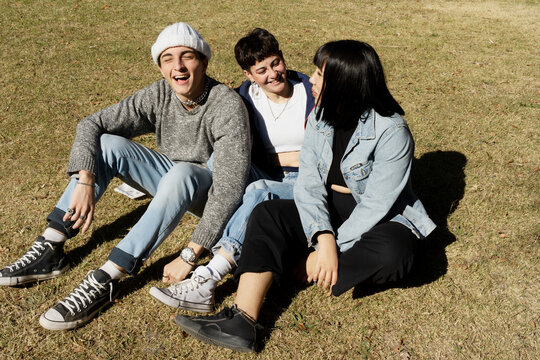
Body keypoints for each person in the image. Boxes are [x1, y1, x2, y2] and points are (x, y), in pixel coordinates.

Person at [174, 40, 437, 353]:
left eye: (319, 74)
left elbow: (376, 206)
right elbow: (309, 183)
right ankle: (241, 320)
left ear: (345, 82)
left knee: (396, 252)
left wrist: (324, 252)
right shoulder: (320, 118)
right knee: (267, 213)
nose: (310, 80)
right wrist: (323, 236)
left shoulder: (392, 130)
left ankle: (301, 265)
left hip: (379, 217)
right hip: (329, 206)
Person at [0, 22, 251, 331]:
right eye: (168, 59)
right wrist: (85, 180)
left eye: (188, 56)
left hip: (209, 192)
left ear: (204, 62)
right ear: (160, 67)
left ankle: (109, 276)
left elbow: (229, 189)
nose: (179, 67)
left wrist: (191, 252)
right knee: (107, 144)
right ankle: (52, 245)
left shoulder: (226, 105)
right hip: (172, 179)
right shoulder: (159, 94)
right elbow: (91, 124)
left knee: (183, 172)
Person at [149, 28, 314, 312]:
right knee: (225, 163)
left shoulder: (311, 91)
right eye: (261, 70)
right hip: (266, 173)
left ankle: (208, 277)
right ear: (249, 75)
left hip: (306, 179)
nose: (273, 74)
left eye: (276, 63)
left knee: (258, 190)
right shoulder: (245, 98)